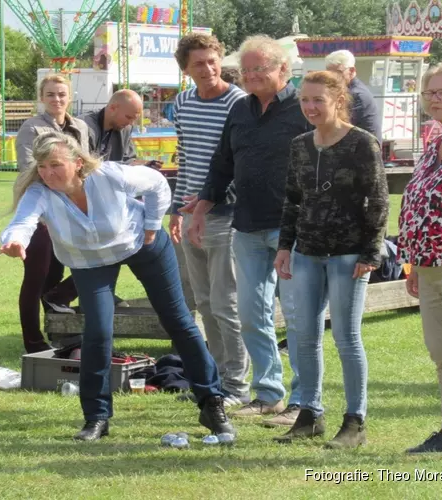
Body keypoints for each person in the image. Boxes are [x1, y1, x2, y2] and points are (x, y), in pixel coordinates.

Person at [0, 131, 236, 443]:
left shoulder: (108, 175)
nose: (47, 173)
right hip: (89, 261)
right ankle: (96, 417)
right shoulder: (40, 191)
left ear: (78, 163)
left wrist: (152, 225)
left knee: (179, 322)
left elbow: (156, 183)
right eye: (42, 166)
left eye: (55, 165)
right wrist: (14, 240)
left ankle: (212, 404)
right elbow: (23, 222)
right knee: (98, 332)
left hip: (141, 244)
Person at [184, 35, 309, 427]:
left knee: (298, 315)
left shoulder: (304, 109)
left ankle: (303, 401)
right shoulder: (241, 109)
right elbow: (222, 164)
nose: (252, 76)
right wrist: (203, 206)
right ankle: (269, 394)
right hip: (247, 226)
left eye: (261, 69)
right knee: (252, 314)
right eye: (247, 69)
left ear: (283, 70)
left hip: (295, 229)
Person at [272, 71, 389, 448]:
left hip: (348, 254)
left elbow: (379, 200)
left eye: (318, 100)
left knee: (346, 337)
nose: (310, 107)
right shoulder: (301, 145)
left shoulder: (362, 143)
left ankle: (355, 421)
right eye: (305, 100)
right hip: (306, 251)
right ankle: (310, 413)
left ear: (339, 100)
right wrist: (285, 246)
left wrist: (372, 251)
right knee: (303, 337)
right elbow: (292, 199)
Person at [168, 32, 250, 408]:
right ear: (185, 69)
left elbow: (241, 165)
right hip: (187, 217)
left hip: (226, 216)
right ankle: (213, 379)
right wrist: (175, 210)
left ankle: (236, 384)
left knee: (226, 303)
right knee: (201, 301)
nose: (208, 68)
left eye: (212, 60)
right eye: (198, 63)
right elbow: (185, 158)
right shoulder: (183, 103)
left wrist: (210, 201)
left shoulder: (240, 103)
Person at [398, 62, 442, 462]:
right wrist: (412, 259)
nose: (436, 99)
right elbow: (416, 202)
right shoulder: (432, 147)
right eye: (430, 93)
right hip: (430, 264)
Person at [14, 74, 88, 353]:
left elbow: (86, 167)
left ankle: (60, 332)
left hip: (74, 211)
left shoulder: (80, 126)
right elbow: (31, 171)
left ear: (70, 96)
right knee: (38, 277)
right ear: (41, 98)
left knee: (81, 268)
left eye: (61, 94)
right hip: (41, 214)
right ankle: (33, 341)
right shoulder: (31, 128)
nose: (56, 99)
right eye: (50, 95)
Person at [325, 50, 382, 140]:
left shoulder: (356, 95)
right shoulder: (349, 90)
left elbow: (341, 126)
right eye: (329, 73)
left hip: (363, 149)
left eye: (338, 73)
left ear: (351, 71)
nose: (332, 77)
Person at [79, 89, 142, 163]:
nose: (131, 123)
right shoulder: (83, 126)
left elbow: (129, 160)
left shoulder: (126, 129)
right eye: (128, 117)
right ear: (113, 108)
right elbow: (83, 166)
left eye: (134, 119)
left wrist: (148, 165)